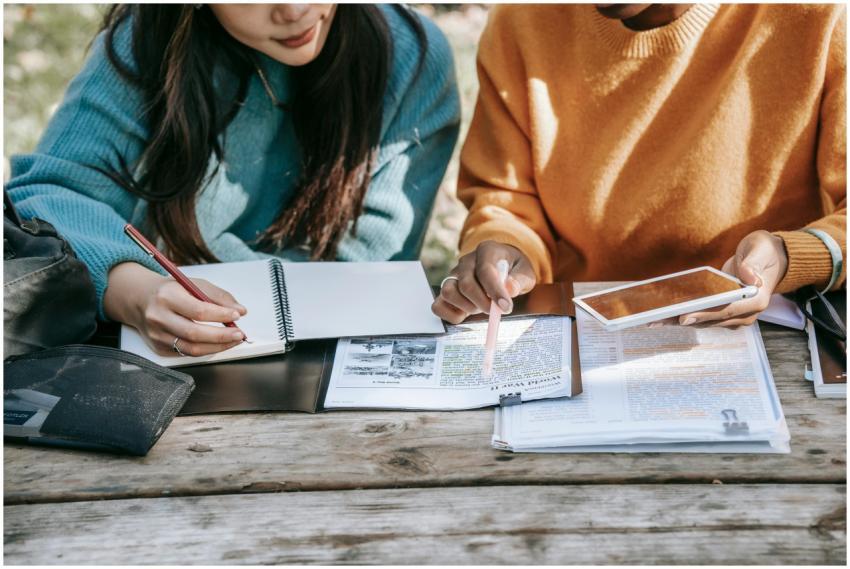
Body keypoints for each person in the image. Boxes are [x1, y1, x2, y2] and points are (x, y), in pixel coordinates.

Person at [7, 4, 460, 356]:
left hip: (331, 362)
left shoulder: (412, 58)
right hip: (157, 361)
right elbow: (47, 196)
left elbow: (371, 271)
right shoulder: (148, 42)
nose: (294, 10)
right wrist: (135, 292)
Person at [433, 3, 845, 328]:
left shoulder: (819, 17)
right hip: (580, 327)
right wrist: (506, 248)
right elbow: (506, 198)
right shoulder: (521, 22)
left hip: (770, 331)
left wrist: (790, 257)